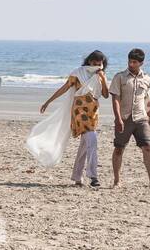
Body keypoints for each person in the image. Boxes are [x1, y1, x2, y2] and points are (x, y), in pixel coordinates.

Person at [37, 51, 110, 187]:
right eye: (94, 63)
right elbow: (64, 88)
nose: (97, 66)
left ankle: (77, 177)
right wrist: (48, 102)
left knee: (85, 144)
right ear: (89, 62)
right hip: (79, 111)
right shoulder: (78, 73)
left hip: (93, 112)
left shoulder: (100, 76)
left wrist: (103, 79)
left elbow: (105, 95)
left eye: (100, 64)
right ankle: (93, 177)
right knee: (92, 140)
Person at [110, 48, 150, 189]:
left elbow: (147, 99)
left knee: (147, 147)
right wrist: (118, 118)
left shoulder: (147, 79)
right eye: (129, 61)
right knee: (119, 149)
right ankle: (117, 180)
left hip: (141, 118)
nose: (131, 64)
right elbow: (115, 99)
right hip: (124, 117)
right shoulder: (119, 77)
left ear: (141, 63)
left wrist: (149, 118)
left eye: (134, 62)